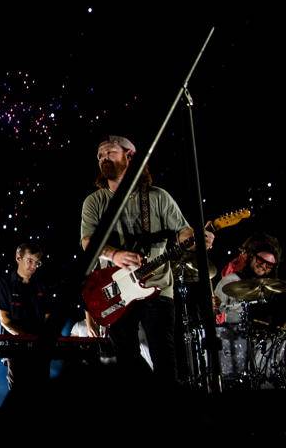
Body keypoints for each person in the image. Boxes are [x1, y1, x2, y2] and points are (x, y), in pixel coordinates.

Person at [80, 135, 214, 387]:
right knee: (127, 362)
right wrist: (114, 255)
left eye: (109, 152)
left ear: (130, 157)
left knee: (165, 360)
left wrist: (195, 238)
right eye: (99, 156)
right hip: (116, 292)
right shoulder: (94, 202)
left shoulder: (158, 197)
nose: (103, 158)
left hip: (158, 287)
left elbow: (183, 231)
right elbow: (88, 243)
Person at [213, 233, 283, 381]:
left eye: (269, 265)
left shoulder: (269, 289)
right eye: (261, 260)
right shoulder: (230, 281)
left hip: (259, 343)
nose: (264, 266)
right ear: (252, 257)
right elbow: (216, 311)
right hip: (232, 339)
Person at [0, 242, 60, 394]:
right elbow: (5, 320)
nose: (34, 266)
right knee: (18, 394)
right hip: (16, 350)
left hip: (40, 350)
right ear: (18, 258)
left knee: (41, 391)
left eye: (37, 262)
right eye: (30, 260)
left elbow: (48, 316)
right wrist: (27, 339)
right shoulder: (4, 284)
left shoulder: (42, 285)